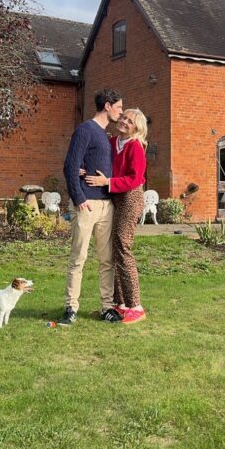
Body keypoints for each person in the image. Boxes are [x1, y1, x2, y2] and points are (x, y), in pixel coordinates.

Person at [60, 89, 124, 326]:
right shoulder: (85, 130)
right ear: (107, 106)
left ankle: (106, 307)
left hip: (106, 205)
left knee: (107, 260)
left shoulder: (105, 136)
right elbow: (70, 165)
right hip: (86, 204)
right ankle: (70, 307)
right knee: (79, 257)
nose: (121, 111)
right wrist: (78, 198)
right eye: (118, 107)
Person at [84, 108, 148, 324]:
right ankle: (120, 303)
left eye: (129, 121)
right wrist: (85, 170)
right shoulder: (113, 143)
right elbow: (102, 164)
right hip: (115, 197)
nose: (123, 121)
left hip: (130, 197)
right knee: (113, 248)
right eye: (122, 117)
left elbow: (134, 178)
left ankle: (135, 305)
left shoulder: (135, 146)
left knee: (123, 245)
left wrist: (108, 183)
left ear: (136, 127)